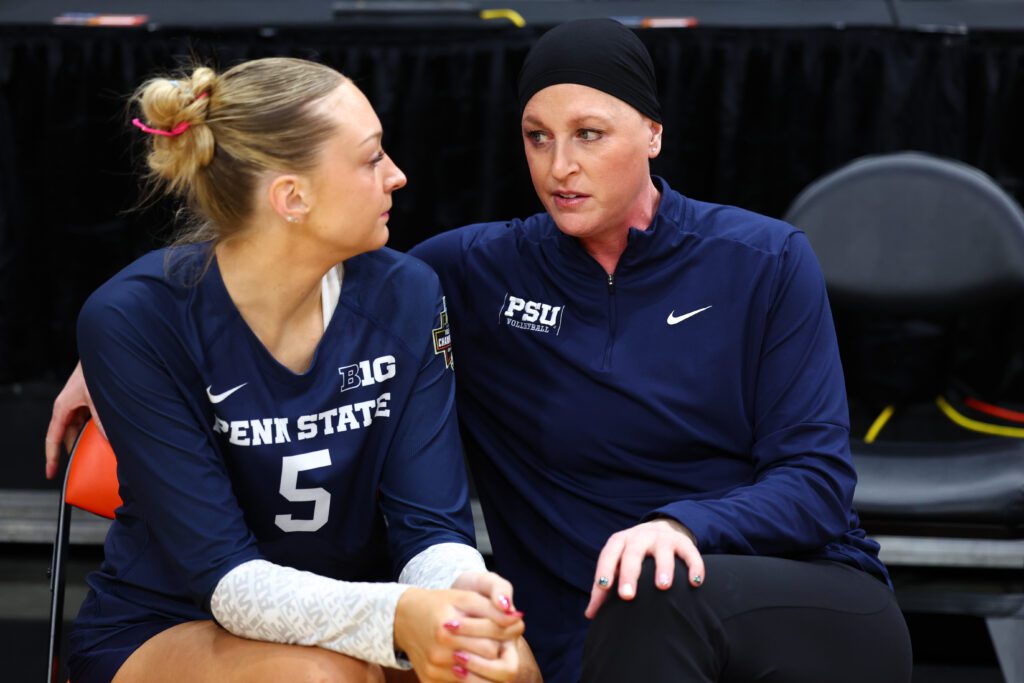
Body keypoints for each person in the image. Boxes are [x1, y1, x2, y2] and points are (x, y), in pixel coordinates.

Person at [48, 22, 913, 683]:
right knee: (391, 665)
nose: (559, 165)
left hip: (753, 583)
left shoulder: (760, 258)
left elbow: (816, 481)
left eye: (590, 135)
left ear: (653, 132)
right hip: (218, 617)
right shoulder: (464, 271)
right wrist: (119, 354)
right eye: (538, 136)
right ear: (291, 194)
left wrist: (667, 529)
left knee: (573, 627)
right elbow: (224, 297)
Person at [49, 56, 538, 683]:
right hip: (169, 622)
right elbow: (222, 579)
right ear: (292, 197)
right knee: (314, 677)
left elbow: (430, 526)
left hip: (358, 608)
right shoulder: (134, 318)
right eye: (371, 159)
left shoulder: (408, 293)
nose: (397, 176)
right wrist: (398, 619)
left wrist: (463, 595)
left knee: (505, 668)